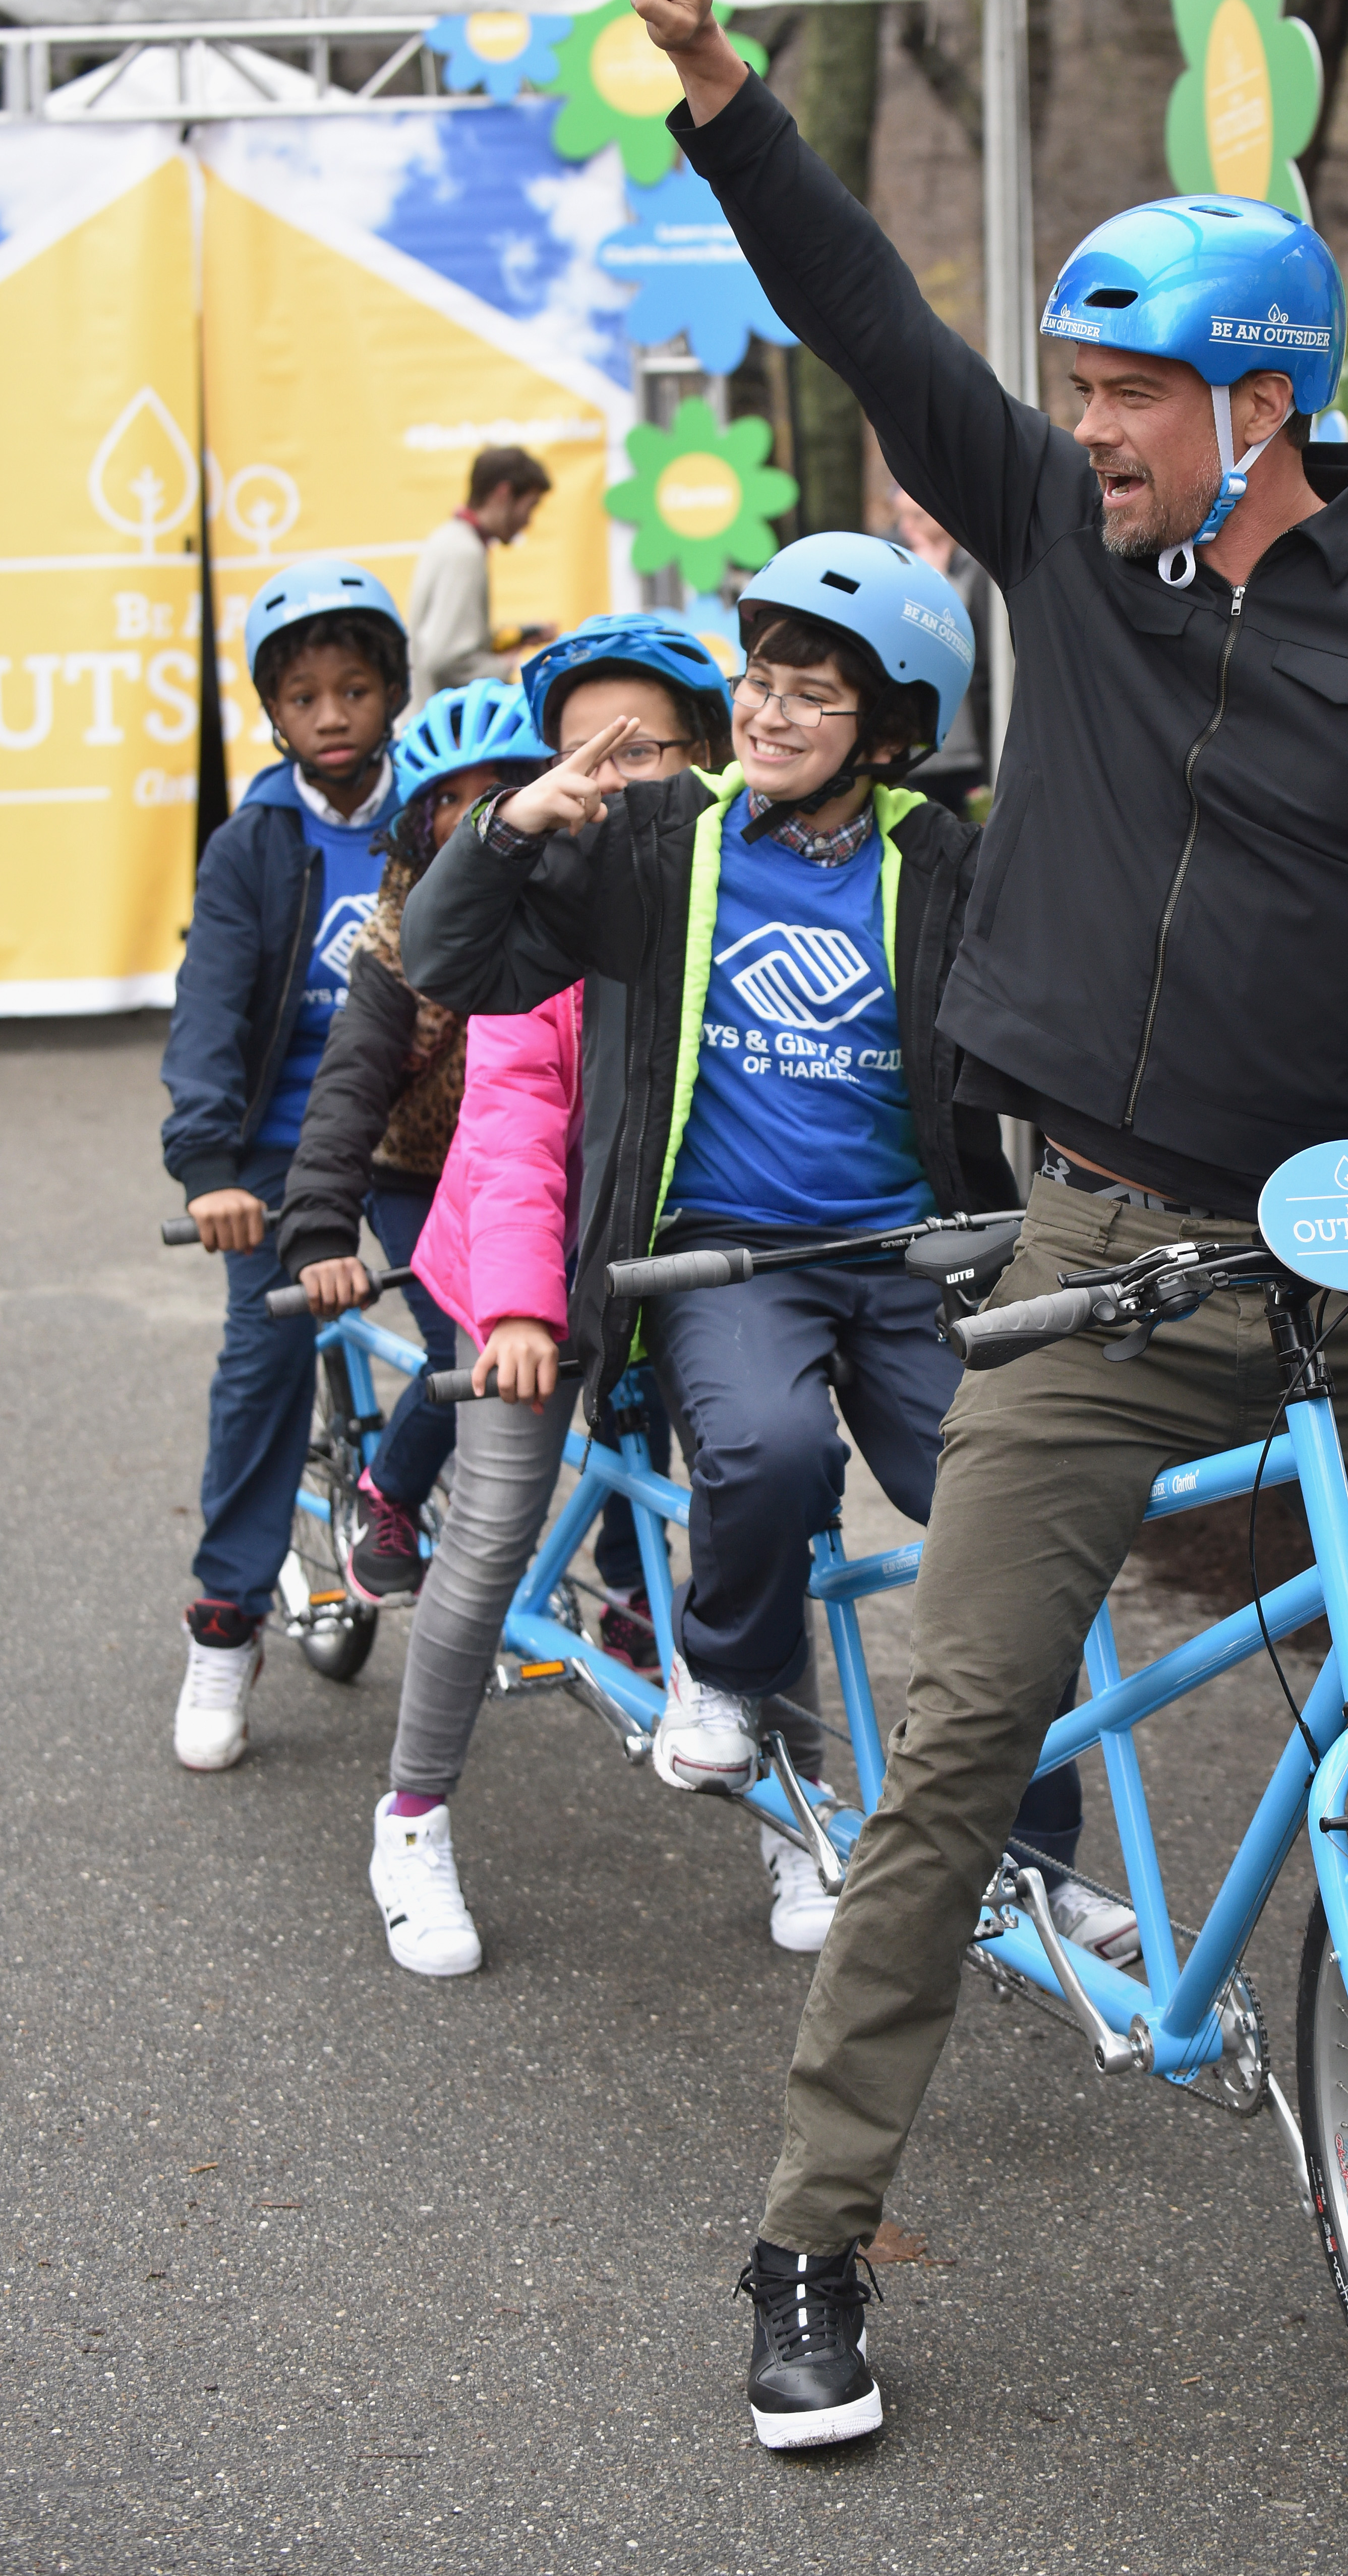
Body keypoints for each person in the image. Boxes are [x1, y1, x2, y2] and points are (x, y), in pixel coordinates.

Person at [605, 0, 1348, 2450]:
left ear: (1261, 410)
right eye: (1077, 394)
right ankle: (809, 2244)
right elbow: (859, 307)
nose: (1080, 430)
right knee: (960, 1743)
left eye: (1127, 397)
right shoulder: (1054, 530)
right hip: (1096, 1239)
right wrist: (713, 84)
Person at [399, 539, 1130, 1966]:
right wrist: (512, 829)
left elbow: (1064, 1033)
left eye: (814, 697)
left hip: (912, 1255)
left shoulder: (949, 865)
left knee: (1007, 1532)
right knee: (772, 1452)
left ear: (898, 733)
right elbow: (454, 963)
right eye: (761, 683)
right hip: (730, 1260)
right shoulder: (660, 839)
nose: (771, 714)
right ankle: (722, 1679)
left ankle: (1036, 1855)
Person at [365, 614, 747, 1974]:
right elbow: (517, 1123)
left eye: (653, 744)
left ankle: (791, 1821)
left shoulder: (747, 889)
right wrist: (525, 1313)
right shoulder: (553, 915)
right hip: (529, 1261)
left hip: (692, 1256)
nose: (624, 770)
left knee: (762, 1508)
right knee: (488, 1541)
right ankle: (410, 1821)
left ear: (713, 753)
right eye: (596, 747)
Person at [161, 561, 409, 1772]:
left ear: (391, 695)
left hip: (414, 1133)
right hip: (275, 1149)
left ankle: (414, 1505)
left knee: (498, 1328)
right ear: (272, 713)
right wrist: (210, 1163)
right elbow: (209, 1006)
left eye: (354, 688)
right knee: (262, 1365)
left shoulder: (437, 815)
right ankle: (226, 1619)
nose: (330, 714)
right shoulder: (253, 840)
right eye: (303, 695)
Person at [275, 678, 555, 1598]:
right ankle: (386, 1491)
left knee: (629, 1375)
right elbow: (352, 1078)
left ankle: (635, 1585)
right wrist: (320, 1230)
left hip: (543, 1169)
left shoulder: (575, 904)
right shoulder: (398, 935)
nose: (479, 818)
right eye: (452, 802)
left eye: (501, 791)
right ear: (418, 823)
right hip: (420, 1175)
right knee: (464, 1352)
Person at [406, 445, 558, 713]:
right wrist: (507, 668)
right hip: (441, 732)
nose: (528, 521)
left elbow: (445, 640)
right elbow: (445, 661)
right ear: (504, 493)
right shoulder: (465, 552)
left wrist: (516, 638)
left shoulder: (449, 539)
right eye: (530, 506)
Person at [888, 486, 990, 814]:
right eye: (900, 515)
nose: (906, 528)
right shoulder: (900, 565)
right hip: (919, 753)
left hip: (971, 748)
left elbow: (966, 637)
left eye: (916, 516)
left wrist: (940, 583)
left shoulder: (979, 566)